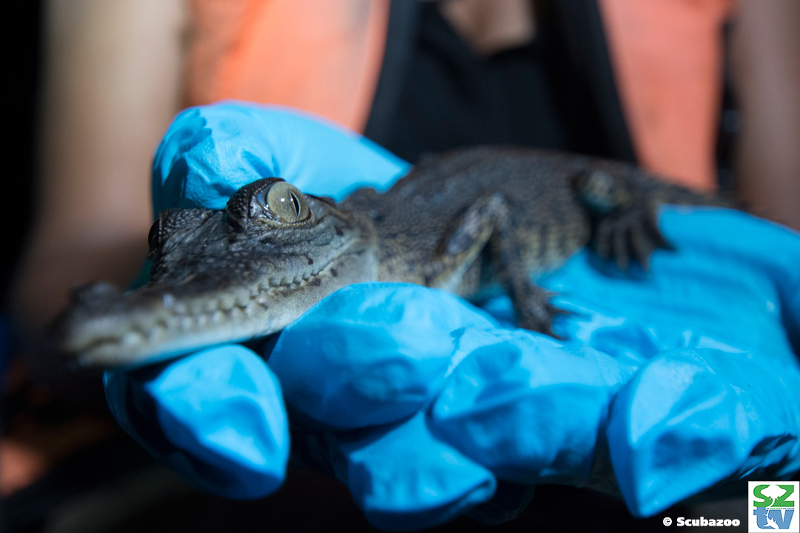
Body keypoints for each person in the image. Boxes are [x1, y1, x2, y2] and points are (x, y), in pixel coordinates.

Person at [4, 0, 800, 528]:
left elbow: (783, 214)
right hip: (287, 505)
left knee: (763, 508)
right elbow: (67, 266)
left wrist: (771, 500)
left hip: (681, 470)